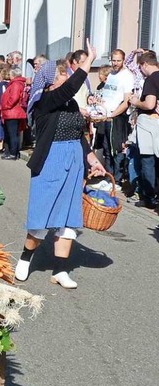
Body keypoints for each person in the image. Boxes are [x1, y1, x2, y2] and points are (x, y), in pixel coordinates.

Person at [16, 41, 106, 289]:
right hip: (50, 160)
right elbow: (69, 89)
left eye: (66, 74)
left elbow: (79, 134)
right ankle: (26, 258)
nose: (66, 78)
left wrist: (91, 159)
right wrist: (88, 62)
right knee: (41, 214)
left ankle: (60, 270)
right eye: (62, 74)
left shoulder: (71, 104)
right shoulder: (45, 102)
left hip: (74, 158)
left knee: (68, 217)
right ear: (48, 82)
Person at [128, 51, 159, 209]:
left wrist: (135, 101)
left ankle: (149, 197)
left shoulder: (151, 80)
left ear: (145, 64)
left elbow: (149, 104)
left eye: (140, 67)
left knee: (148, 160)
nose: (140, 71)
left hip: (149, 123)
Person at [101, 49, 134, 188]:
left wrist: (113, 114)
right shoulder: (111, 75)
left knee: (117, 149)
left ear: (123, 60)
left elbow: (126, 101)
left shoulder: (127, 76)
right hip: (105, 116)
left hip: (117, 117)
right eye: (113, 60)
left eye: (118, 60)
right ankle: (109, 178)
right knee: (107, 149)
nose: (115, 63)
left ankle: (117, 180)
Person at [0, 67, 27, 160]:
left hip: (13, 112)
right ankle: (9, 152)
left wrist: (6, 106)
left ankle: (13, 153)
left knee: (13, 134)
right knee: (10, 133)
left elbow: (14, 97)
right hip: (12, 112)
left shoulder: (16, 84)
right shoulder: (16, 84)